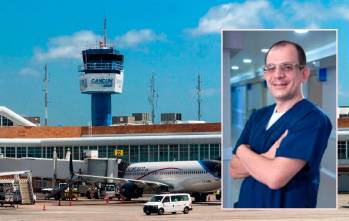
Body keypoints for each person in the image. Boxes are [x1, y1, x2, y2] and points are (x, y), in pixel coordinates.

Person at [230, 40, 332, 208]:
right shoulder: (258, 116)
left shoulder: (312, 119)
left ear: (304, 74)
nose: (277, 75)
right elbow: (233, 170)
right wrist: (268, 156)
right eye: (271, 68)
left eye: (287, 67)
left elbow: (274, 178)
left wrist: (242, 150)